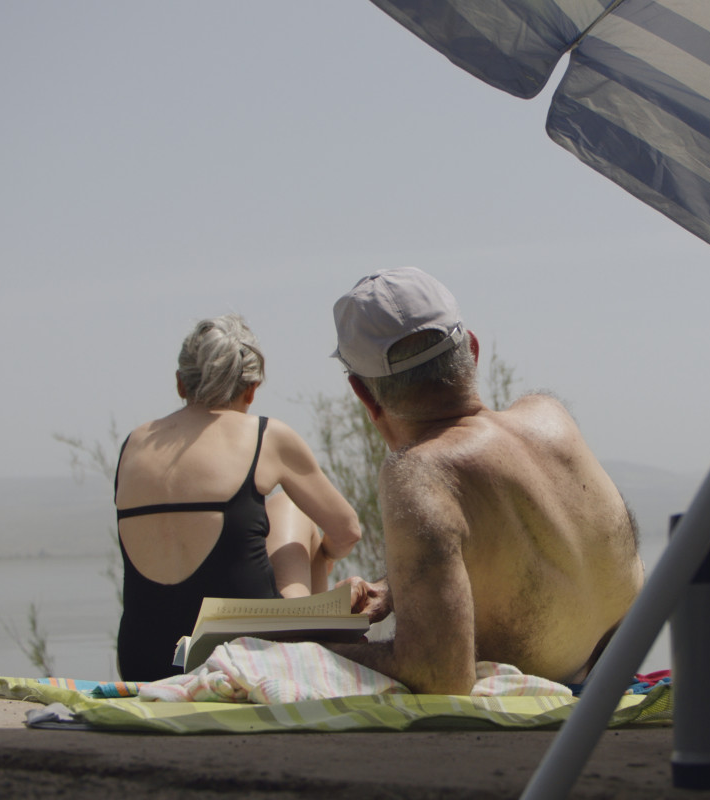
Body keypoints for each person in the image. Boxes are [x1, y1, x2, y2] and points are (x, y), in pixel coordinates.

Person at [327, 268, 644, 694]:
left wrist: (319, 647)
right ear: (472, 350)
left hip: (552, 710)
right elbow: (522, 552)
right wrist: (397, 587)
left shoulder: (420, 472)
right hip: (619, 682)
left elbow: (440, 673)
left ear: (363, 395)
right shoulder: (550, 416)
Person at [114, 314, 361, 681]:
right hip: (245, 660)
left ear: (180, 383)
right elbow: (348, 531)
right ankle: (307, 652)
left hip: (143, 663)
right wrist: (323, 556)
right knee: (291, 508)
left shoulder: (134, 444)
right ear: (251, 390)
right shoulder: (265, 435)